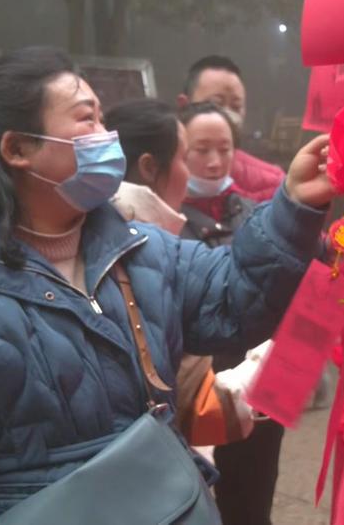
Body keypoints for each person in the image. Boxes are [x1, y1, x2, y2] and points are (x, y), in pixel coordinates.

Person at [0, 46, 339, 524]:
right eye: (86, 119)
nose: (106, 136)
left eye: (102, 117)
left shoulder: (142, 252)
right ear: (18, 149)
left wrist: (294, 205)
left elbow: (235, 296)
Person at [105, 98, 258, 450]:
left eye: (225, 148)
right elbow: (193, 405)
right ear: (149, 166)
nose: (211, 163)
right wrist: (276, 361)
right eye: (189, 155)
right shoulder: (146, 255)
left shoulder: (98, 235)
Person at [178, 101, 296, 525]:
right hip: (196, 390)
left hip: (259, 388)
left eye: (224, 149)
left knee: (253, 498)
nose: (214, 161)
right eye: (201, 150)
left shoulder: (256, 215)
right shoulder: (164, 219)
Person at [178, 55, 285, 203]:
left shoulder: (273, 184)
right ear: (184, 105)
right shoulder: (157, 182)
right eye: (215, 104)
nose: (227, 115)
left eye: (236, 106)